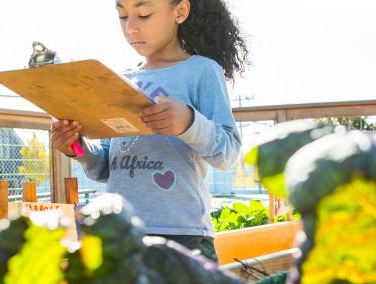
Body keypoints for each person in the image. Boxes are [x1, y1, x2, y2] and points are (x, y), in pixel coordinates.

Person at [49, 0, 247, 262]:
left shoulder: (202, 71)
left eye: (144, 15)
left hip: (184, 236)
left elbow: (228, 153)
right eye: (122, 16)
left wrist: (189, 122)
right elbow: (106, 165)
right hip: (121, 234)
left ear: (180, 11)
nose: (131, 28)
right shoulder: (119, 80)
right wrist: (76, 147)